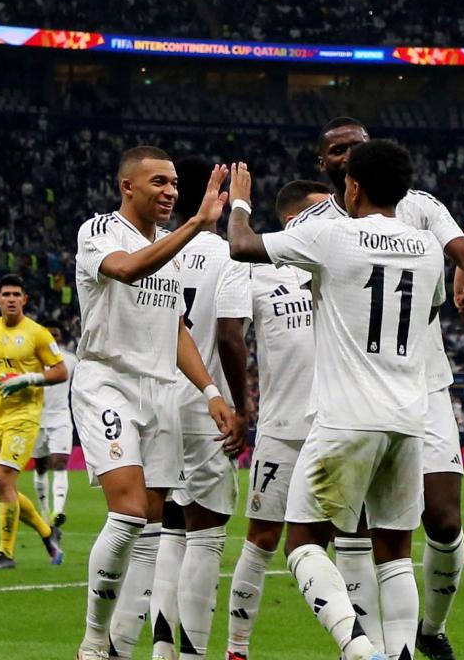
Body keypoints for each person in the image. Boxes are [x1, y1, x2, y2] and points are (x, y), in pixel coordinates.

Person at [227, 141, 446, 660]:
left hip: (346, 418)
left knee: (301, 543)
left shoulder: (332, 234)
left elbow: (241, 245)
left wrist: (239, 203)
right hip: (408, 421)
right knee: (394, 554)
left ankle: (356, 647)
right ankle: (400, 654)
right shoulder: (429, 248)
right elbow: (431, 310)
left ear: (352, 187)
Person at [286, 118, 464, 659]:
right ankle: (371, 645)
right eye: (337, 151)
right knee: (361, 535)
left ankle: (428, 629)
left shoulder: (418, 206)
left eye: (357, 147)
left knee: (443, 519)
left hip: (422, 387)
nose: (349, 155)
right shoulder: (318, 224)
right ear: (325, 166)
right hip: (357, 390)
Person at [71, 148, 242, 660]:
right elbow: (124, 271)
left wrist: (211, 391)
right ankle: (93, 641)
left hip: (162, 391)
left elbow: (176, 330)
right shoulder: (98, 232)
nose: (169, 190)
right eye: (158, 182)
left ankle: (122, 646)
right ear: (128, 186)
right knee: (126, 514)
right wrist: (196, 223)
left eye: (173, 183)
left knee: (149, 527)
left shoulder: (165, 248)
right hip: (109, 382)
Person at [149, 158, 252, 660]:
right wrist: (240, 405)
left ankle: (161, 651)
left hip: (153, 402)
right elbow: (231, 335)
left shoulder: (154, 250)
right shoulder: (225, 255)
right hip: (202, 405)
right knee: (206, 530)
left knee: (169, 526)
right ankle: (193, 654)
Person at [225, 179, 332, 660]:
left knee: (352, 540)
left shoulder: (340, 260)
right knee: (262, 539)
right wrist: (238, 405)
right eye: (321, 210)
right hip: (281, 429)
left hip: (339, 426)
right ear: (295, 221)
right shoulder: (257, 271)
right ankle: (236, 648)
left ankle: (361, 643)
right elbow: (227, 335)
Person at [0, 274, 66, 569]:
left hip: (25, 417)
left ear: (25, 300)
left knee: (3, 481)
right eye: (5, 294)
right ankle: (48, 535)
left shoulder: (38, 334)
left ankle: (5, 554)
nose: (10, 299)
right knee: (3, 487)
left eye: (16, 294)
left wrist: (28, 379)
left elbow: (60, 371)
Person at [34, 322, 77, 529]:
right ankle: (44, 512)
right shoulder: (32, 359)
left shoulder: (70, 360)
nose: (52, 337)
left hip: (60, 418)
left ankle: (58, 510)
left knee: (60, 463)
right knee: (41, 467)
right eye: (48, 334)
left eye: (55, 334)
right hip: (36, 419)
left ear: (60, 337)